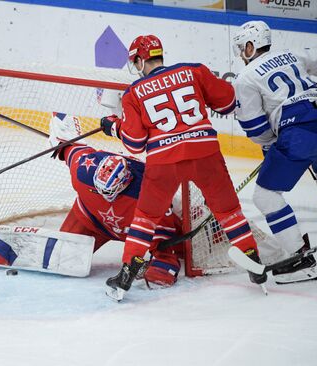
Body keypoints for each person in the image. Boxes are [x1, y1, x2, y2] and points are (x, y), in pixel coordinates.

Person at [100, 35, 265, 300]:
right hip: (205, 153)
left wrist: (114, 127)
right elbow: (227, 101)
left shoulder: (134, 93)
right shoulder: (194, 71)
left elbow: (134, 143)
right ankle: (251, 257)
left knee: (145, 218)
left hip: (164, 162)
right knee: (228, 211)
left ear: (141, 60)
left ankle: (127, 272)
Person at [232, 20, 317, 284]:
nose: (241, 53)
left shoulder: (246, 76)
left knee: (266, 196)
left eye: (242, 47)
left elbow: (255, 128)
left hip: (298, 132)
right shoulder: (293, 55)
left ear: (251, 46)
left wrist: (272, 143)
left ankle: (300, 261)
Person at [49, 113, 182, 288]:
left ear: (124, 182)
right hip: (91, 219)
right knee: (61, 258)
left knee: (175, 256)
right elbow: (69, 142)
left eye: (109, 193)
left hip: (135, 228)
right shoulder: (83, 169)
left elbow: (164, 235)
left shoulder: (148, 194)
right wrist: (59, 136)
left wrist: (163, 259)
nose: (105, 197)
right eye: (100, 190)